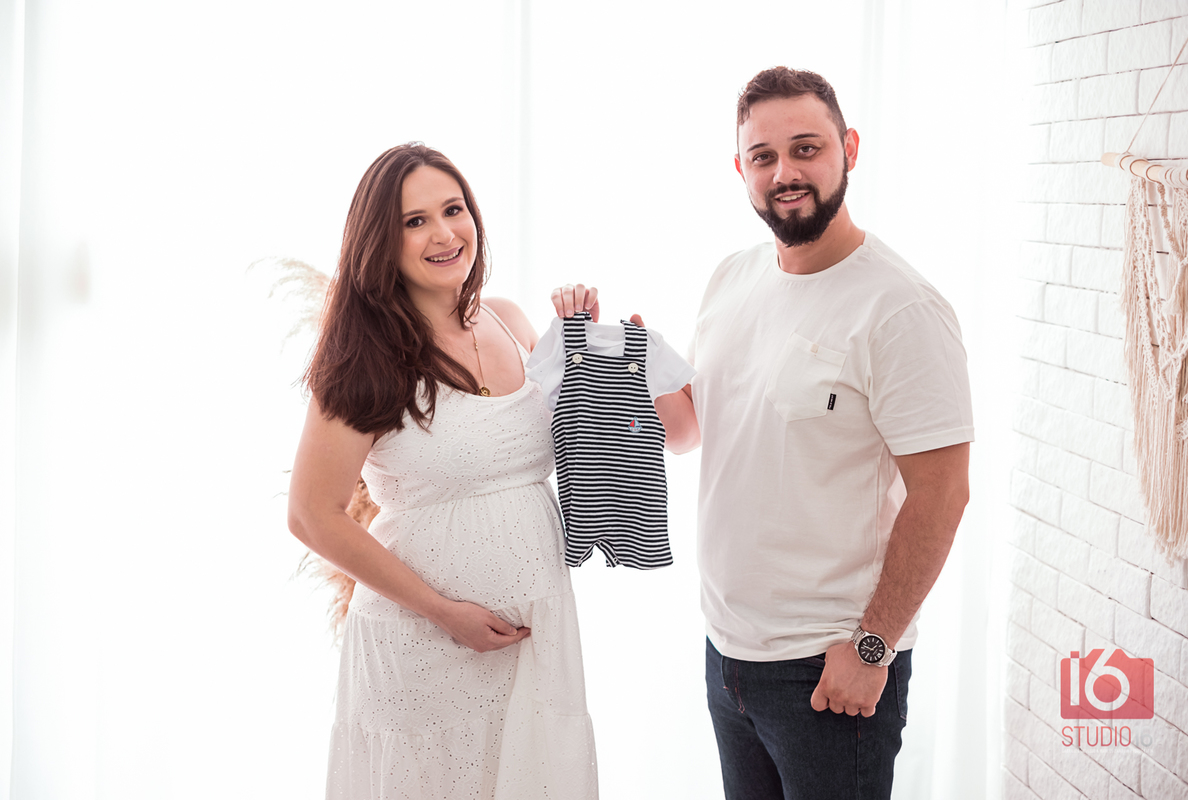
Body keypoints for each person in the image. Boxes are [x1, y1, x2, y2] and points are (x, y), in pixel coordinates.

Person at [559, 66, 974, 798]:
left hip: (829, 667)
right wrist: (615, 361)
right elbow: (688, 429)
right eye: (764, 156)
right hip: (728, 655)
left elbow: (943, 494)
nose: (785, 173)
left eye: (806, 148)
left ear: (849, 148)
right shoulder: (732, 277)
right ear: (741, 169)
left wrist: (871, 649)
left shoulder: (900, 308)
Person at [287, 143, 598, 800]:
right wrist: (442, 611)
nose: (444, 233)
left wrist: (588, 346)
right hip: (419, 648)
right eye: (414, 221)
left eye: (454, 210)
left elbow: (586, 452)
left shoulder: (511, 321)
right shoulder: (364, 356)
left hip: (534, 638)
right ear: (381, 241)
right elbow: (311, 514)